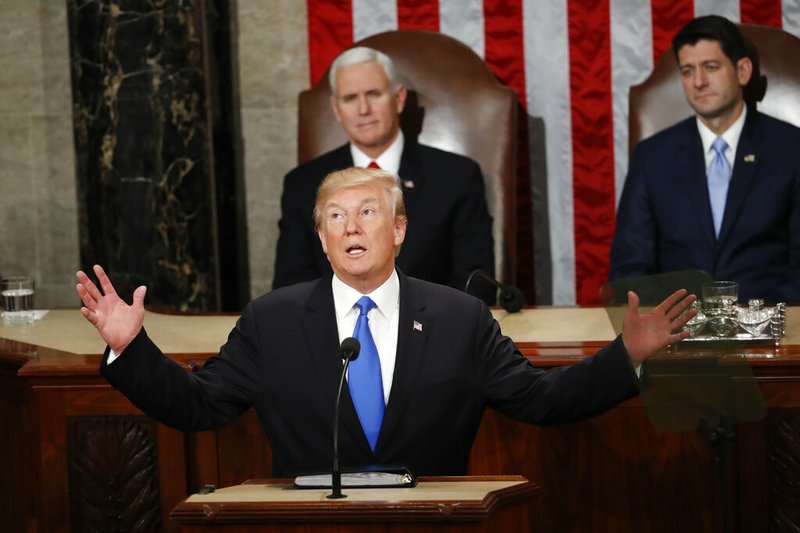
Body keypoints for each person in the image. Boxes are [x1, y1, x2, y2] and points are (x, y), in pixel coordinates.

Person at [76, 167, 695, 478]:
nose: (351, 226)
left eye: (368, 212)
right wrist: (131, 349)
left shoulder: (459, 317)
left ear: (398, 231)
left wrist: (626, 356)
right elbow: (200, 407)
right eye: (336, 217)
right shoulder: (273, 321)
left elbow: (541, 399)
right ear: (320, 238)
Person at [273, 46, 496, 304]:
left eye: (373, 94)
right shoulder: (302, 185)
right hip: (335, 336)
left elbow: (475, 282)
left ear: (399, 98)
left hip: (431, 332)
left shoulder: (456, 177)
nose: (363, 109)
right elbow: (291, 288)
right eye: (350, 99)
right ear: (336, 109)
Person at [609, 15, 800, 304]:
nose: (698, 82)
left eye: (711, 67)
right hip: (678, 333)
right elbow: (630, 268)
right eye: (687, 71)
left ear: (743, 71)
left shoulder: (791, 148)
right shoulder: (652, 157)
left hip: (770, 329)